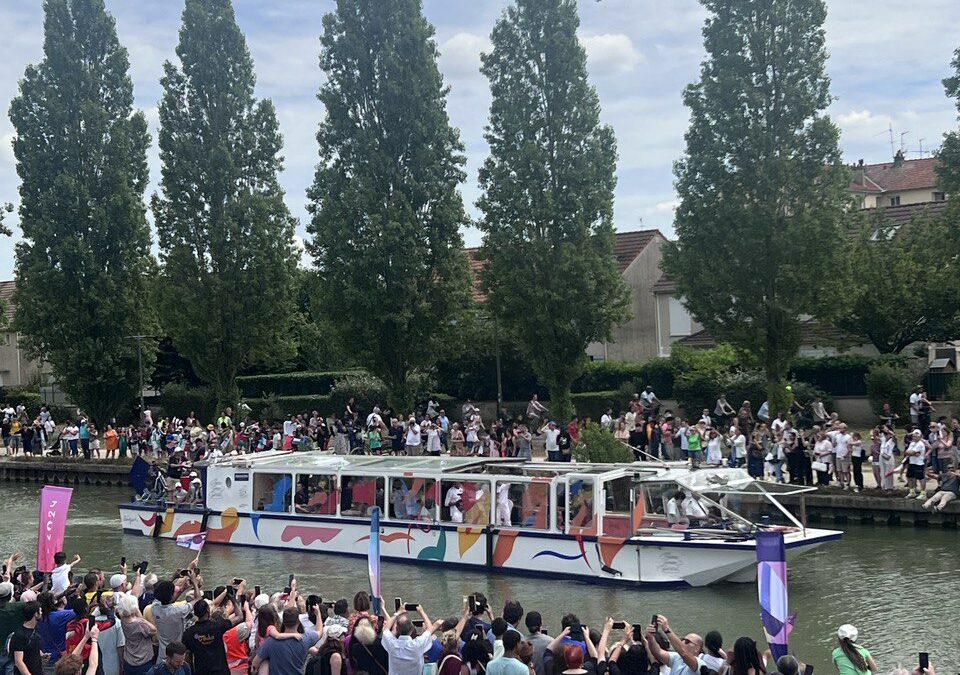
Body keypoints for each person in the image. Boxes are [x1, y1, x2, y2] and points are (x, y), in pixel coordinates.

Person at [252, 608, 320, 675]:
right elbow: (319, 632)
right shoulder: (305, 639)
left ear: (283, 622)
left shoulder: (270, 641)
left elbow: (255, 663)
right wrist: (318, 613)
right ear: (298, 622)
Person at [182, 597, 239, 675]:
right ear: (208, 610)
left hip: (201, 672)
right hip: (220, 671)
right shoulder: (218, 626)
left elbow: (187, 656)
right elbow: (239, 617)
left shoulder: (188, 633)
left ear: (195, 613)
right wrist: (234, 601)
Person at [379, 603, 435, 675]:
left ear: (396, 629)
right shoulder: (417, 644)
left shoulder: (392, 644)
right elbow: (430, 628)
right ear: (412, 629)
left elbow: (385, 629)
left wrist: (398, 613)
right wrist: (421, 612)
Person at [10, 601, 43, 675]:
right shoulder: (20, 635)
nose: (41, 613)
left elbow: (30, 649)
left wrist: (41, 654)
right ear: (35, 613)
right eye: (40, 611)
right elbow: (18, 661)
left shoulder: (35, 631)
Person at [904, 430, 928, 499]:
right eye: (913, 436)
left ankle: (923, 493)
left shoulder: (920, 444)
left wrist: (912, 453)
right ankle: (912, 492)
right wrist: (913, 453)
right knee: (909, 477)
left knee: (921, 478)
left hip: (919, 463)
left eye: (916, 436)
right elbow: (906, 452)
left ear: (920, 436)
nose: (914, 437)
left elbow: (910, 453)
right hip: (912, 463)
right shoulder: (912, 443)